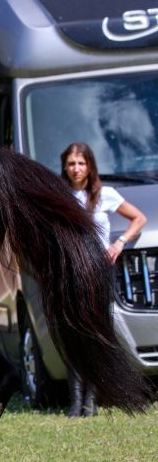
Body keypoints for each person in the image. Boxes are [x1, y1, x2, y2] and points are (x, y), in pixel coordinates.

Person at [60, 142, 147, 417]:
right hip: (72, 270)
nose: (76, 169)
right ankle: (74, 401)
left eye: (81, 163)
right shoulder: (59, 194)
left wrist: (119, 243)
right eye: (72, 163)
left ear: (90, 166)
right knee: (73, 333)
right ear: (65, 166)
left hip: (98, 270)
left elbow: (138, 218)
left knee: (98, 331)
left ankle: (91, 401)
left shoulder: (104, 194)